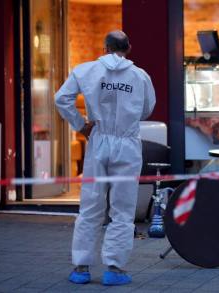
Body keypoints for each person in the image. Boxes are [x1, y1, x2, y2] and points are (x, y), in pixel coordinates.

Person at [54, 30, 156, 286]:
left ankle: (81, 268)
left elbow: (61, 99)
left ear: (104, 47)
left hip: (98, 140)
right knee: (122, 209)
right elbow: (146, 110)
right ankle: (114, 269)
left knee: (90, 205)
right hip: (127, 143)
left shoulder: (86, 70)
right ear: (129, 48)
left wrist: (81, 125)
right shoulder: (140, 76)